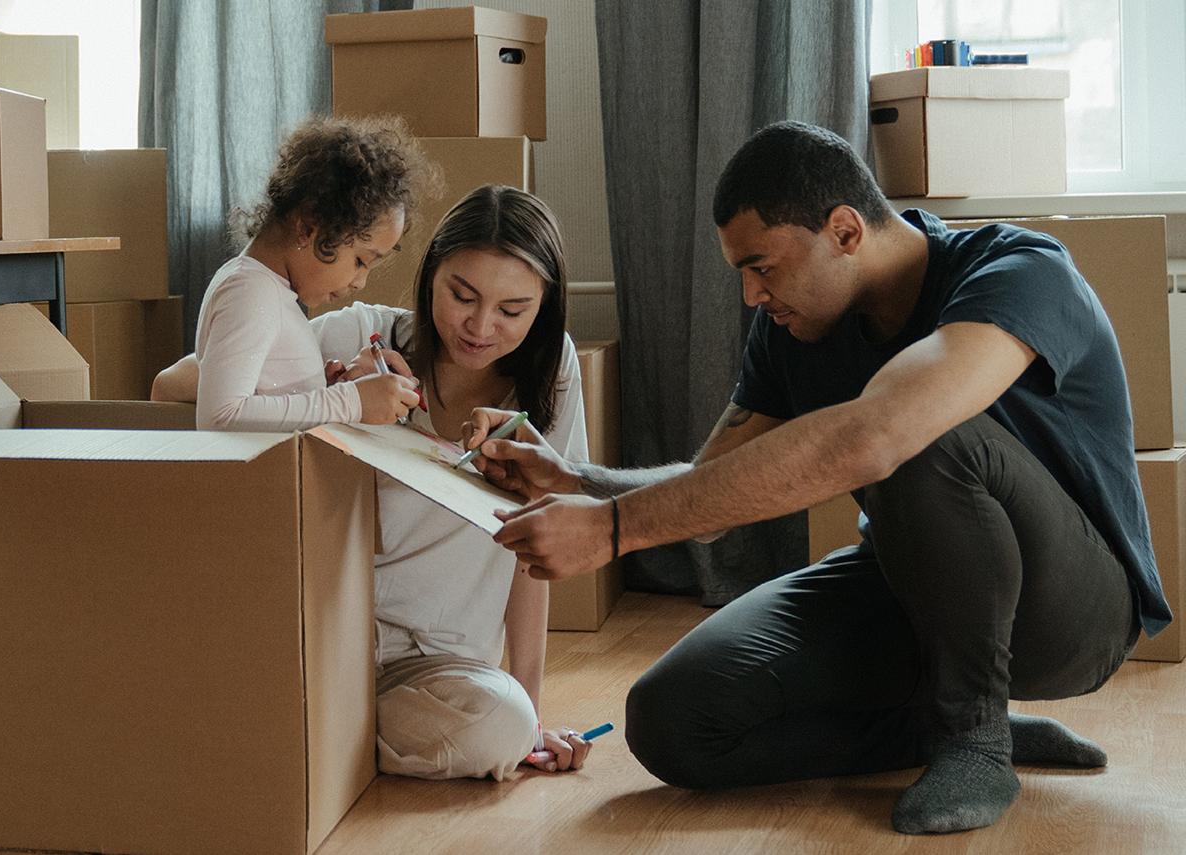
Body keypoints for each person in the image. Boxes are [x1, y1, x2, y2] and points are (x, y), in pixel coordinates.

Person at [469, 121, 1170, 832]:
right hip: (909, 587)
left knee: (919, 430)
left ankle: (975, 739)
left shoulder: (1020, 270)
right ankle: (934, 726)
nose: (749, 295)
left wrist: (614, 531)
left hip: (1074, 612)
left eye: (763, 266)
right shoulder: (792, 328)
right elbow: (713, 489)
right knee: (673, 719)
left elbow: (882, 434)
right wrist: (579, 483)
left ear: (844, 230)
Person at [157, 185, 595, 778]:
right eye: (461, 295)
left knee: (504, 726)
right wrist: (332, 395)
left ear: (543, 308)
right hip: (327, 638)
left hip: (440, 666)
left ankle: (309, 739)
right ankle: (315, 735)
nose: (480, 326)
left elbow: (534, 549)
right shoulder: (358, 334)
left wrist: (533, 714)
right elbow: (173, 386)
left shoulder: (553, 376)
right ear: (429, 275)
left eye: (512, 311)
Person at [191, 114, 424, 431]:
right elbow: (220, 416)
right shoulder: (251, 291)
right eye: (360, 261)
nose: (361, 282)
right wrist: (350, 401)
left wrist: (321, 391)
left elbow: (266, 402)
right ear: (308, 227)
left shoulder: (268, 290)